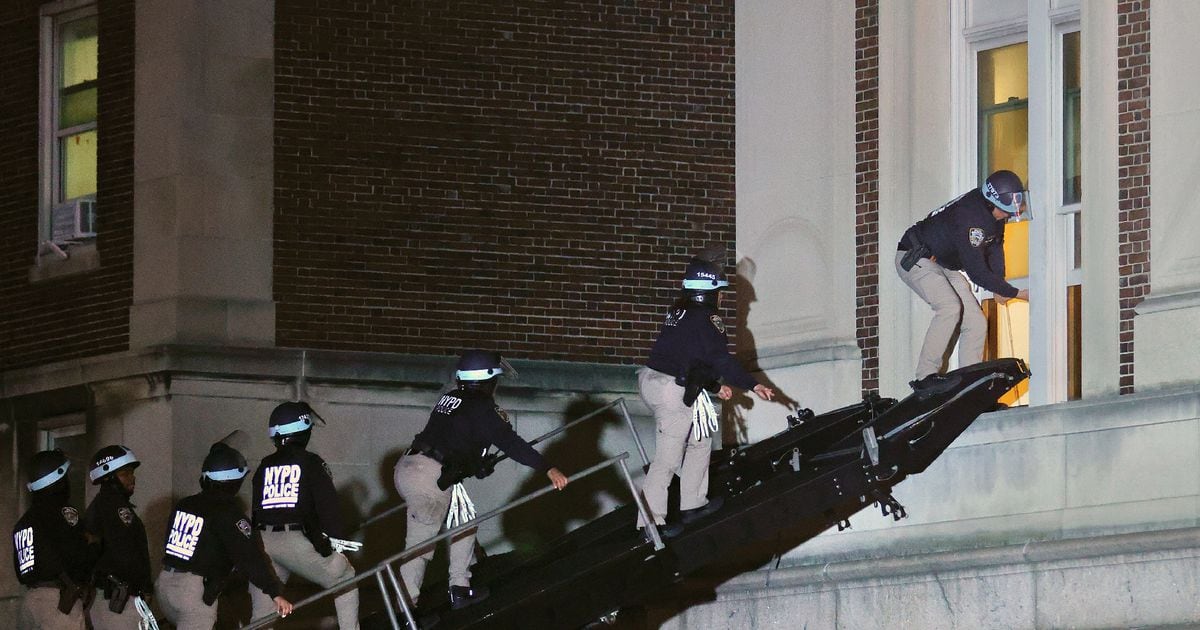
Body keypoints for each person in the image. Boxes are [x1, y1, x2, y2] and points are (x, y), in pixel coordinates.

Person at [394, 350, 569, 610]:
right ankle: (404, 611)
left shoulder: (451, 398)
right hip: (430, 476)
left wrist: (473, 463)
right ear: (488, 381)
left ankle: (460, 589)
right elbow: (512, 444)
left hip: (412, 467)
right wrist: (548, 468)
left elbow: (454, 438)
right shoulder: (483, 408)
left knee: (465, 521)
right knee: (420, 545)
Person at [640, 248, 775, 537]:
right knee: (668, 458)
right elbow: (720, 359)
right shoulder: (707, 319)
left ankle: (692, 504)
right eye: (720, 291)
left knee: (700, 440)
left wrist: (715, 386)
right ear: (708, 293)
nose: (723, 297)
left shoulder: (679, 312)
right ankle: (651, 525)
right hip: (670, 388)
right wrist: (753, 384)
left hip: (662, 380)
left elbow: (691, 358)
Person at [896, 169, 1031, 396]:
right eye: (1005, 212)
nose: (1006, 216)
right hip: (914, 256)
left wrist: (999, 284)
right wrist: (1016, 293)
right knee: (949, 306)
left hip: (941, 264)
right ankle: (925, 378)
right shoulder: (971, 218)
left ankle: (972, 387)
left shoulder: (993, 216)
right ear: (991, 204)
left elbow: (996, 245)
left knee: (976, 322)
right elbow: (976, 272)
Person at [156, 441, 293, 629]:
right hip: (192, 593)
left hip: (165, 586)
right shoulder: (229, 513)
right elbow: (250, 556)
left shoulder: (184, 504)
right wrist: (274, 592)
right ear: (234, 481)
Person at [249, 401, 362, 629]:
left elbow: (257, 509)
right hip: (293, 539)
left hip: (261, 540)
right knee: (346, 578)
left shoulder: (264, 465)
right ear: (303, 431)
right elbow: (326, 506)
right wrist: (331, 541)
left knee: (262, 613)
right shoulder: (310, 462)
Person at [12, 449, 95, 630]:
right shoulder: (64, 512)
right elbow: (78, 555)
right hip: (59, 603)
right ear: (58, 478)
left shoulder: (23, 522)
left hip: (30, 602)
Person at [85, 445, 154, 630]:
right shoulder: (115, 508)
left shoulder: (101, 506)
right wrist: (145, 588)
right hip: (118, 601)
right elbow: (127, 553)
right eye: (125, 473)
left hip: (108, 599)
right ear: (109, 477)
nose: (132, 478)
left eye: (132, 472)